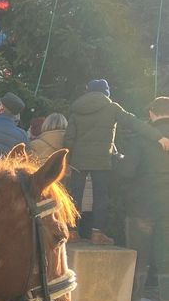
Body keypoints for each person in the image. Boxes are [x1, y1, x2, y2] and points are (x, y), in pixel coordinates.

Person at [64, 79, 169, 244]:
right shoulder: (112, 107)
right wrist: (158, 137)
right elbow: (134, 123)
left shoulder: (77, 110)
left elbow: (68, 138)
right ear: (106, 93)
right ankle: (97, 234)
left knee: (74, 196)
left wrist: (66, 162)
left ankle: (72, 232)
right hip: (102, 161)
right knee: (100, 197)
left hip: (78, 161)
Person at [116, 96, 169, 301]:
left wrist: (116, 159)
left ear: (151, 113)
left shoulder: (141, 139)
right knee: (165, 257)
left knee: (139, 257)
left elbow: (127, 172)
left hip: (142, 206)